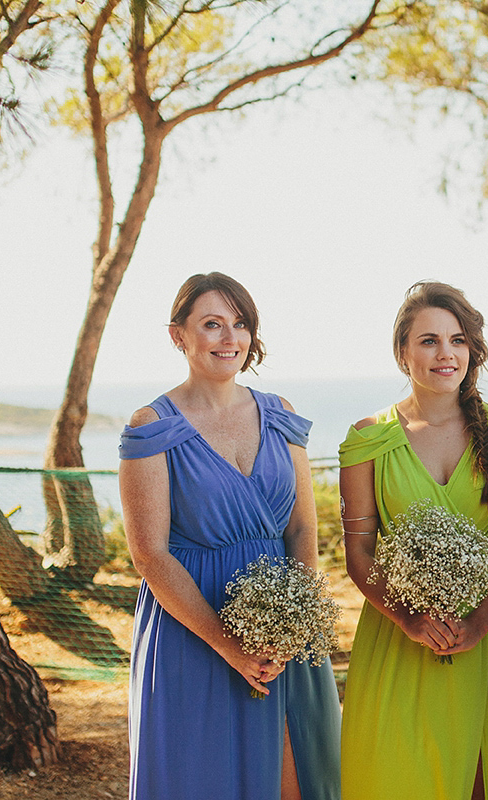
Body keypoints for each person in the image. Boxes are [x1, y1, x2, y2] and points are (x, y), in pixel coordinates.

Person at [119, 272, 340, 800]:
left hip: (285, 634)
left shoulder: (279, 414)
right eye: (212, 325)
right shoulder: (152, 425)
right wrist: (230, 644)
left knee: (299, 776)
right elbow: (149, 555)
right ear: (179, 336)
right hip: (193, 632)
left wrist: (297, 622)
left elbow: (302, 526)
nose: (229, 339)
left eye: (239, 324)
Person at [337, 281, 488, 800]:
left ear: (473, 349)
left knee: (486, 783)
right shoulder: (368, 440)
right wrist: (408, 617)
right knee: (399, 777)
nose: (445, 353)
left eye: (458, 340)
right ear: (403, 351)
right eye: (428, 340)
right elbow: (357, 554)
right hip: (399, 638)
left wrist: (481, 620)